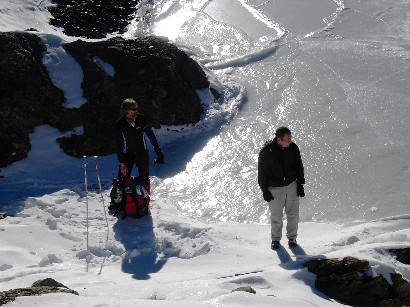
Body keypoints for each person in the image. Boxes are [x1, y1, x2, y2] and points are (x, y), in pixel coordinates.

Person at [257, 126, 305, 250]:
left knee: (293, 214)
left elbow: (299, 166)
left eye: (290, 138)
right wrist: (264, 190)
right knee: (276, 216)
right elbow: (261, 172)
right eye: (288, 138)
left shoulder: (293, 148)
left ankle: (292, 238)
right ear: (279, 140)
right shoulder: (266, 152)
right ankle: (275, 240)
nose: (290, 140)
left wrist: (300, 184)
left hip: (291, 185)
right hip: (275, 188)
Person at [114, 98, 164, 193]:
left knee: (144, 178)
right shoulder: (120, 124)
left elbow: (150, 135)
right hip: (127, 155)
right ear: (126, 110)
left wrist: (158, 152)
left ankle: (145, 201)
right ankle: (122, 202)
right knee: (122, 179)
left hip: (142, 153)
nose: (136, 111)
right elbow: (118, 145)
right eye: (134, 109)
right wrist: (122, 163)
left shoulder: (141, 119)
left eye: (137, 108)